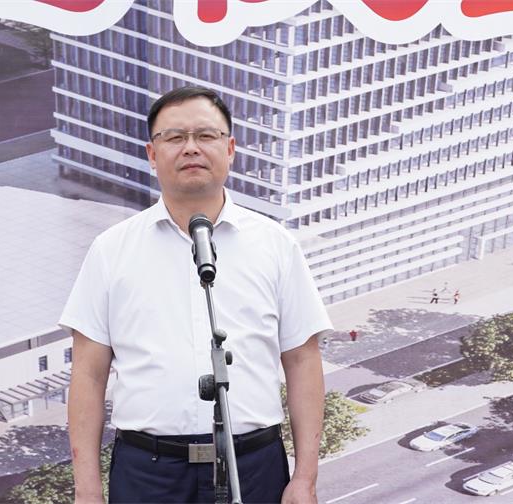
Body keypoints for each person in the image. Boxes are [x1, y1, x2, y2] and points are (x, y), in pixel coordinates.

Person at [60, 87, 333, 503]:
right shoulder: (111, 250)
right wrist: (87, 490)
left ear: (230, 149)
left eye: (206, 136)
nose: (191, 148)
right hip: (148, 474)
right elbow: (88, 374)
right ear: (152, 154)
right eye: (174, 137)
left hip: (254, 467)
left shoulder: (274, 245)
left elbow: (302, 361)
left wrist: (305, 478)